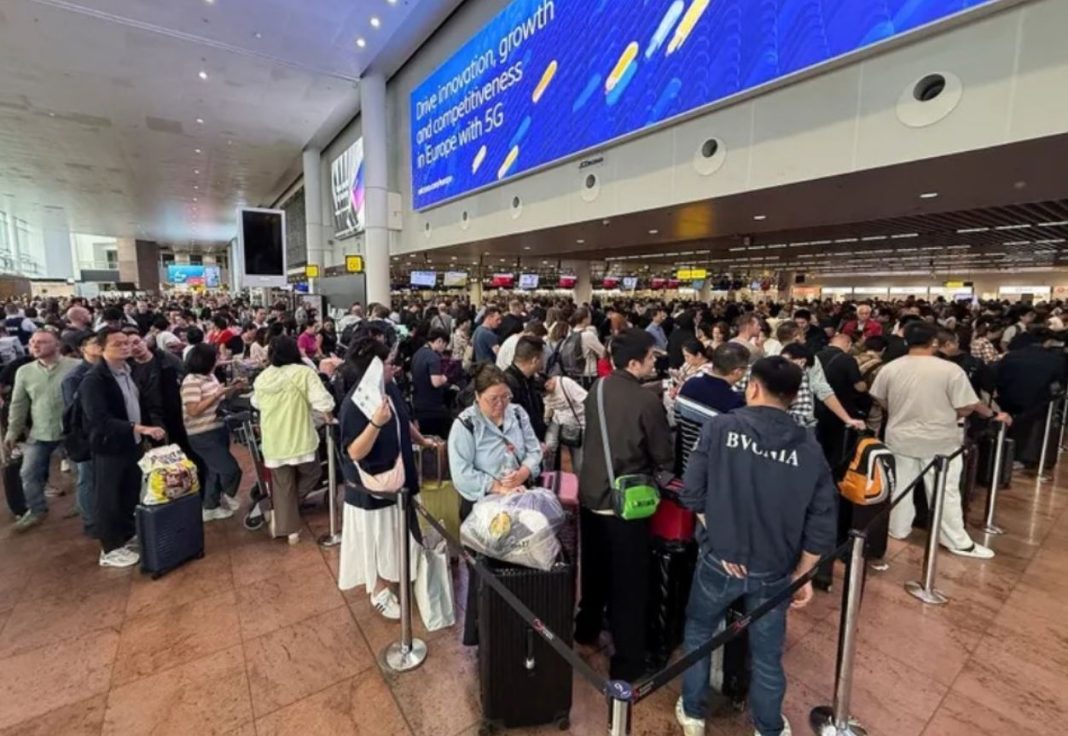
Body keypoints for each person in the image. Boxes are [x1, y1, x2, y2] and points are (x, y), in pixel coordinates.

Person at [675, 356, 835, 736]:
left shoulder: (720, 428)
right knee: (767, 653)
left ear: (753, 387)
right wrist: (804, 573)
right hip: (775, 567)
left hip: (719, 561)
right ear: (793, 397)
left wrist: (722, 540)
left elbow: (692, 492)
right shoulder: (809, 447)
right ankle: (767, 727)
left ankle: (694, 713)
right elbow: (822, 518)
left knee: (699, 632)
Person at [575, 328, 673, 681]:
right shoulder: (647, 401)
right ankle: (628, 660)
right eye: (650, 358)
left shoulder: (597, 389)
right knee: (629, 584)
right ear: (633, 362)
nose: (652, 364)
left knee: (594, 568)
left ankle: (586, 627)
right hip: (624, 502)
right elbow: (663, 455)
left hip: (591, 494)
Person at [870, 322, 1010, 560]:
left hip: (899, 437)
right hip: (940, 440)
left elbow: (881, 399)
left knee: (900, 488)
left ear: (906, 340)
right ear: (934, 342)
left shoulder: (890, 368)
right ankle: (955, 540)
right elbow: (966, 406)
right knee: (945, 492)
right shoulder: (950, 370)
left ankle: (898, 529)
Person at [338, 338, 435, 618]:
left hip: (399, 477)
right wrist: (376, 423)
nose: (395, 367)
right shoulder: (356, 403)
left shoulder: (388, 388)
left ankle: (395, 575)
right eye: (389, 363)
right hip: (374, 485)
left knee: (396, 534)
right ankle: (379, 588)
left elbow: (403, 420)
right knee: (378, 539)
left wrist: (422, 441)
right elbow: (355, 451)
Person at [449, 363, 543, 645]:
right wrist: (498, 486)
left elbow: (534, 450)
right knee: (486, 574)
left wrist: (523, 473)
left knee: (520, 569)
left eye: (505, 397)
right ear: (477, 397)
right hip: (484, 510)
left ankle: (518, 628)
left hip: (520, 502)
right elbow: (461, 473)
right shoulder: (466, 425)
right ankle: (485, 632)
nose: (500, 405)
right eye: (493, 399)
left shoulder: (518, 413)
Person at [80, 328, 166, 568]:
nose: (125, 347)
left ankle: (127, 535)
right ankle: (110, 548)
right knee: (109, 497)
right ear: (102, 349)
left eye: (126, 342)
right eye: (117, 344)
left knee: (130, 491)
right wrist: (138, 428)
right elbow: (99, 418)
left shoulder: (128, 371)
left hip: (132, 443)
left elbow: (137, 403)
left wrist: (146, 430)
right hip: (110, 446)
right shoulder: (95, 379)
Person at [252, 336, 336, 544]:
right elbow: (323, 402)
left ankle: (287, 527)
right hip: (300, 437)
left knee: (283, 485)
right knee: (313, 473)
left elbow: (256, 402)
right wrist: (328, 417)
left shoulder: (263, 377)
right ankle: (284, 512)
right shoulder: (303, 373)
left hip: (273, 439)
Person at [4, 329, 79, 531]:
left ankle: (83, 504)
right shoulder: (24, 371)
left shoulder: (75, 367)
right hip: (41, 431)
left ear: (57, 345)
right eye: (32, 342)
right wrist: (12, 431)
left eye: (42, 342)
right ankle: (36, 510)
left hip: (71, 431)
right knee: (29, 472)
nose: (35, 346)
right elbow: (18, 404)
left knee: (79, 472)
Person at [182, 344, 245, 521]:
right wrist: (216, 395)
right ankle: (229, 494)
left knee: (214, 470)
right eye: (215, 358)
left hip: (218, 428)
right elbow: (193, 410)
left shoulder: (210, 376)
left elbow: (218, 398)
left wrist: (232, 388)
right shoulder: (191, 381)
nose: (217, 361)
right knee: (230, 469)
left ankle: (210, 506)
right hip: (202, 433)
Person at [995, 330, 1065, 475]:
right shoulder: (1056, 360)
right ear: (1047, 342)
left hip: (1007, 398)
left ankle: (1002, 454)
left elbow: (998, 375)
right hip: (1037, 402)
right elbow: (1060, 382)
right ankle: (1024, 458)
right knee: (1031, 430)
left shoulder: (1011, 356)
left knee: (1008, 427)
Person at [60, 330, 102, 536]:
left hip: (105, 434)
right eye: (95, 343)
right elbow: (75, 412)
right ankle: (91, 522)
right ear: (82, 348)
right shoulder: (75, 377)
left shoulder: (107, 369)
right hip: (87, 437)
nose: (100, 346)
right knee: (87, 478)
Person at [677, 342, 748, 414]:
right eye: (745, 368)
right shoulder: (735, 403)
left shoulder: (690, 383)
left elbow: (677, 414)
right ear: (737, 371)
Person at [504, 335, 548, 443]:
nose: (543, 361)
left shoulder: (528, 380)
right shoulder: (509, 385)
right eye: (542, 358)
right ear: (535, 360)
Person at [411, 328, 452, 438]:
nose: (444, 349)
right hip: (433, 406)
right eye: (444, 344)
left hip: (418, 404)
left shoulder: (417, 354)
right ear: (439, 341)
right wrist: (446, 377)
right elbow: (436, 382)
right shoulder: (433, 357)